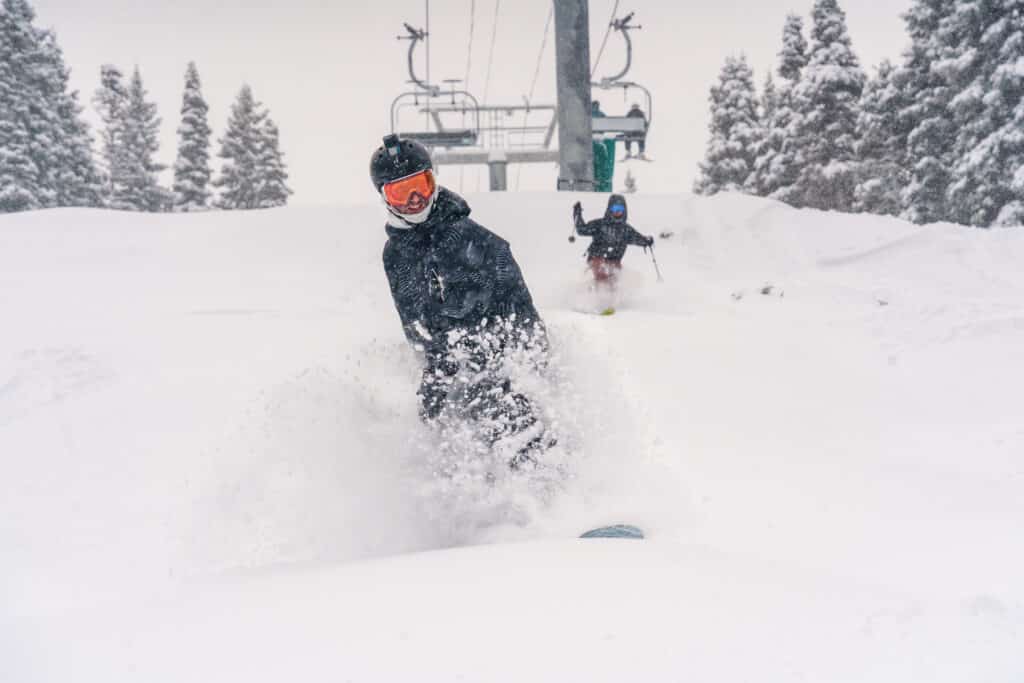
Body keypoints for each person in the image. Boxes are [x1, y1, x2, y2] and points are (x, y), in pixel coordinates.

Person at [370, 134, 548, 466]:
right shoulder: (395, 255)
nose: (414, 201)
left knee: (500, 406)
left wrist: (521, 357)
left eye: (419, 187)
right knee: (439, 428)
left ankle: (546, 482)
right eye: (400, 192)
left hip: (497, 356)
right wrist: (436, 361)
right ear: (384, 198)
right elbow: (412, 321)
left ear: (433, 182)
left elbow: (522, 311)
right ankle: (466, 509)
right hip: (445, 367)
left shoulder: (479, 241)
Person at [570, 194, 653, 287]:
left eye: (621, 209)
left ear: (624, 211)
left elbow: (638, 238)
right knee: (602, 273)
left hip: (614, 260)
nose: (618, 211)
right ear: (610, 209)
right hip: (597, 258)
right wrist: (577, 213)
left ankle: (614, 298)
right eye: (615, 208)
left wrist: (646, 241)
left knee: (615, 277)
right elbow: (582, 230)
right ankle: (597, 296)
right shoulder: (600, 224)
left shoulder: (626, 230)